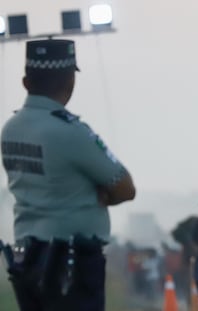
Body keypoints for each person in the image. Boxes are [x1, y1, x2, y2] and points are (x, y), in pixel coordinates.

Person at [1, 39, 136, 311]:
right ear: (70, 81)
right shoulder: (70, 132)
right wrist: (95, 193)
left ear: (26, 82)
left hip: (26, 257)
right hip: (71, 263)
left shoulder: (10, 129)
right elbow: (125, 188)